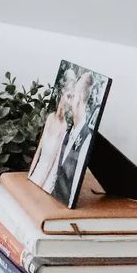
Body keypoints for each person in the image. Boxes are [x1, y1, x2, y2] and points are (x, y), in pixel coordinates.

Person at [57, 71, 100, 206]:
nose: (69, 101)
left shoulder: (86, 139)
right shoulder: (69, 130)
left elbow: (74, 187)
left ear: (79, 99)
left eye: (73, 96)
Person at [28, 74, 74, 196]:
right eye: (68, 96)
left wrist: (42, 182)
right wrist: (30, 174)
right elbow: (39, 148)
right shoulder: (50, 117)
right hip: (38, 169)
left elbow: (53, 159)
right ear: (61, 95)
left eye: (71, 98)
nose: (69, 101)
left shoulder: (63, 125)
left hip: (47, 173)